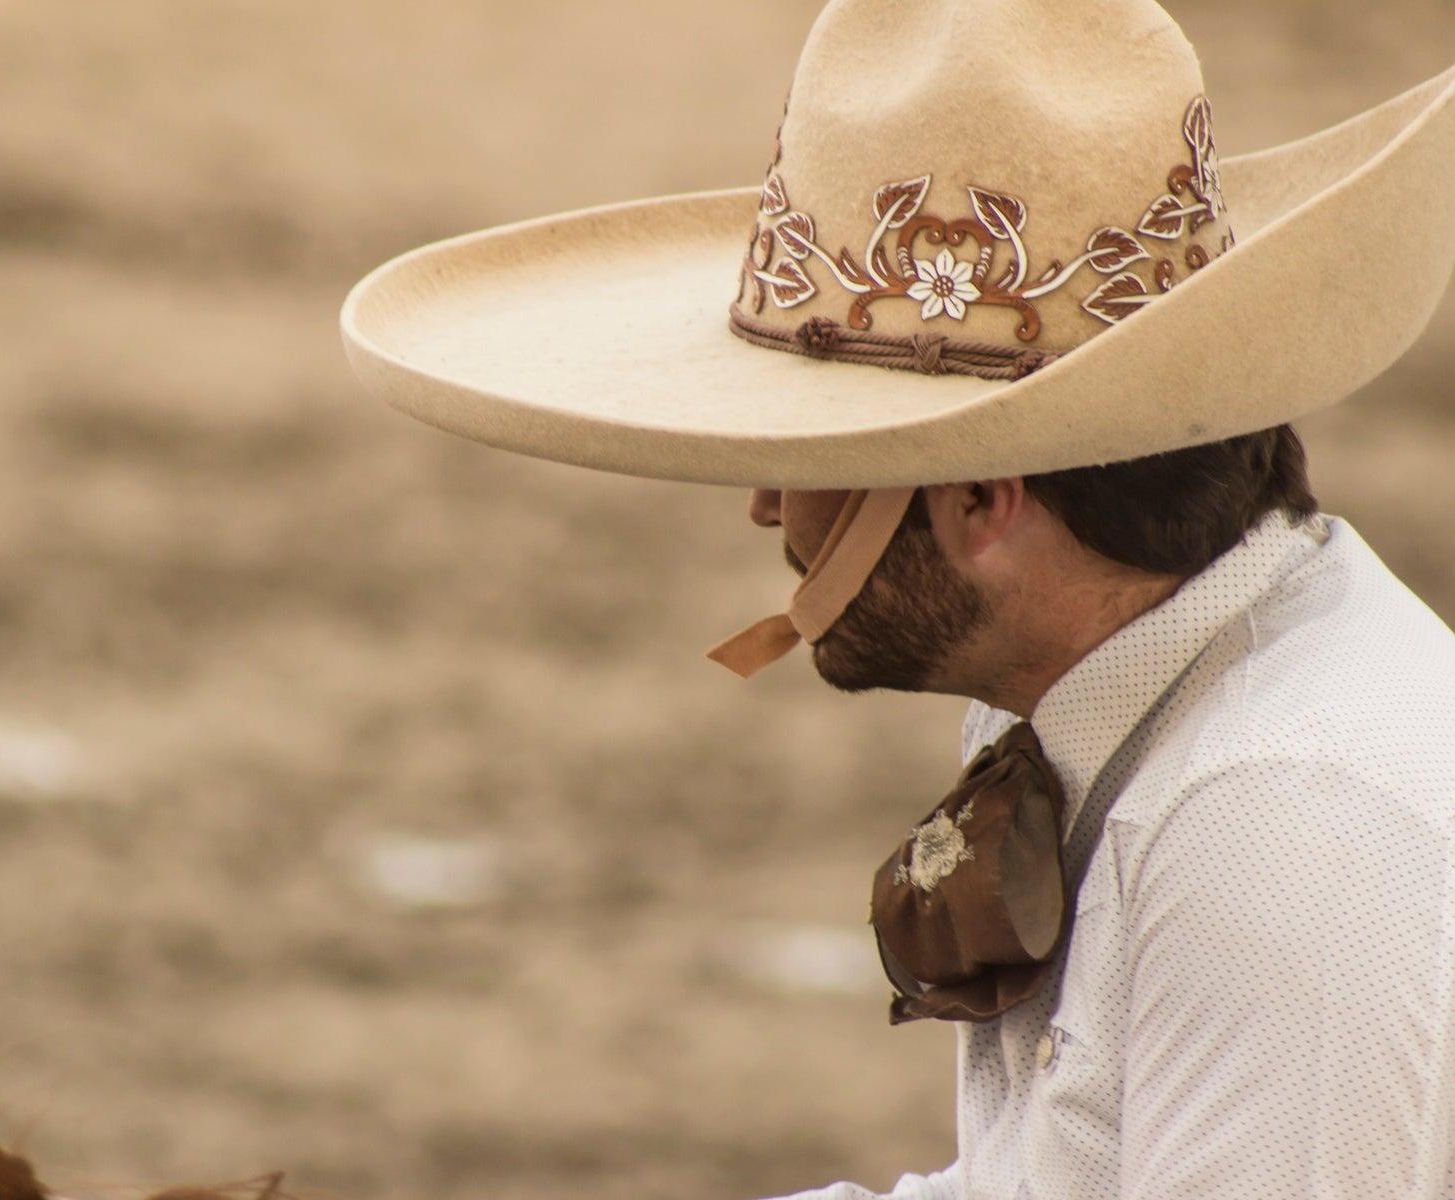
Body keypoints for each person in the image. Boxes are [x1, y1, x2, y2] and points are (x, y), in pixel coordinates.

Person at [341, 0, 1455, 1195]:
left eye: (816, 451)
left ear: (981, 498)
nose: (768, 505)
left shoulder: (1280, 826)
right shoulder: (1124, 689)